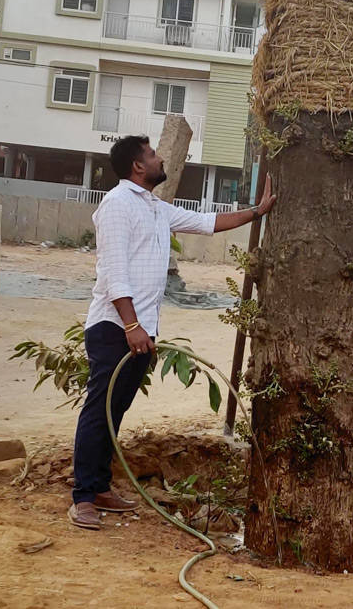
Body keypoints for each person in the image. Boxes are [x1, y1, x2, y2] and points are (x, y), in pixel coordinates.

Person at [68, 135, 276, 530]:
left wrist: (258, 211)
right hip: (116, 329)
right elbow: (113, 272)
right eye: (151, 154)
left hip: (140, 332)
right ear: (137, 167)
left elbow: (208, 223)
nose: (160, 156)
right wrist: (131, 325)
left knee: (114, 412)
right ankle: (83, 498)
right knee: (99, 412)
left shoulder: (156, 208)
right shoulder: (117, 205)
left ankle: (98, 488)